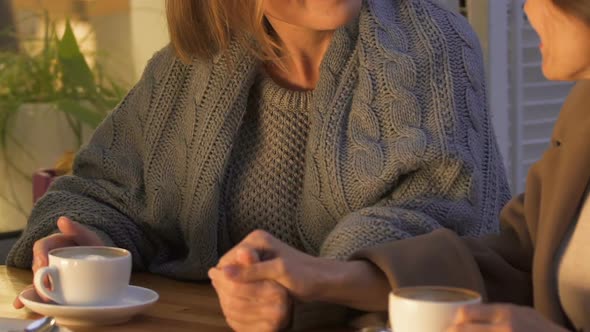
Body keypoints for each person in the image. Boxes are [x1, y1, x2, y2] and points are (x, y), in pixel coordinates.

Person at [8, 0, 510, 330]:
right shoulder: (190, 65)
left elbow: (435, 221)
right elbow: (109, 193)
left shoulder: (429, 40)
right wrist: (89, 241)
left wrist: (304, 292)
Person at [219, 0, 590, 331]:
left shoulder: (428, 39)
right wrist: (322, 279)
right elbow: (515, 258)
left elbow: (434, 206)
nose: (526, 10)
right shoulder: (581, 117)